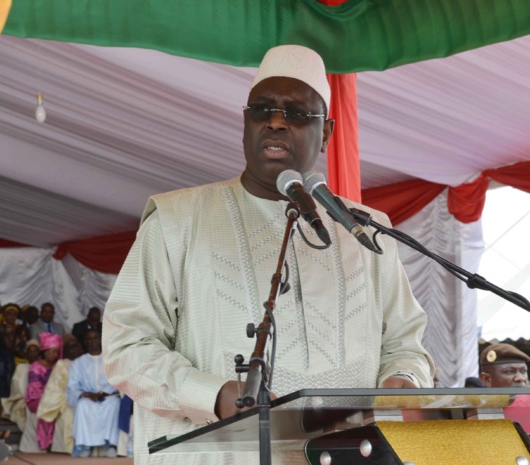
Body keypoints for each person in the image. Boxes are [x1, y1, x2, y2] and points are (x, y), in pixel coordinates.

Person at [103, 44, 434, 465]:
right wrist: (214, 395)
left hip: (348, 454)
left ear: (327, 132)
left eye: (297, 113)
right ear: (245, 122)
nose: (276, 122)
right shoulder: (177, 219)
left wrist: (403, 378)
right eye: (262, 110)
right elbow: (127, 346)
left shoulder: (364, 229)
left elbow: (405, 343)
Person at [479, 344, 530, 465]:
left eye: (523, 371)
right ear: (487, 380)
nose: (520, 378)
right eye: (510, 371)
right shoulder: (476, 420)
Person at [68, 329, 120, 458]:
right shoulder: (78, 362)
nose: (93, 341)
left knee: (115, 404)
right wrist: (85, 394)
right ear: (85, 342)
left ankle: (112, 445)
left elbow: (118, 380)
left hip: (109, 397)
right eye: (89, 339)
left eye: (95, 338)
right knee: (82, 405)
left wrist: (105, 392)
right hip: (88, 398)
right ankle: (85, 445)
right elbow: (72, 385)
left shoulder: (111, 359)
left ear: (101, 339)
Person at [37, 334, 84, 454]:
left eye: (76, 346)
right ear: (65, 351)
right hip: (67, 399)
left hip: (88, 398)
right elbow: (55, 388)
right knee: (69, 412)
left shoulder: (86, 361)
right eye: (71, 347)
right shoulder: (62, 364)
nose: (74, 350)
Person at [20, 332, 62, 453]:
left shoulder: (57, 365)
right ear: (45, 351)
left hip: (53, 397)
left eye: (57, 352)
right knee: (50, 406)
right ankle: (46, 442)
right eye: (54, 352)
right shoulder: (36, 367)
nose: (56, 355)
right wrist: (50, 396)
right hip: (36, 398)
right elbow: (35, 388)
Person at [1, 339, 41, 432]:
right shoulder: (21, 367)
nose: (33, 353)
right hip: (22, 399)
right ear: (27, 354)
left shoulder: (43, 368)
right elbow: (16, 387)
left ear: (39, 353)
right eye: (30, 351)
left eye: (35, 351)